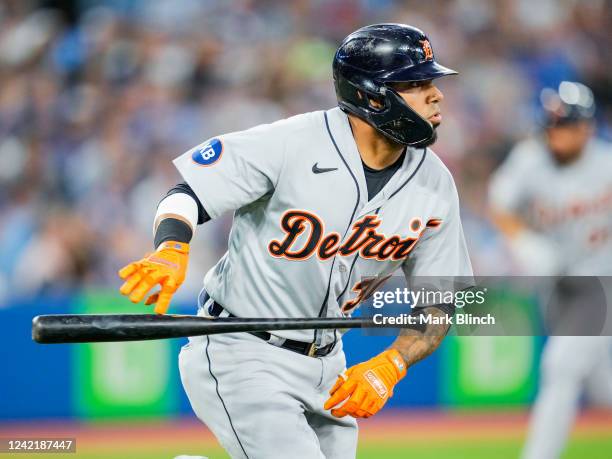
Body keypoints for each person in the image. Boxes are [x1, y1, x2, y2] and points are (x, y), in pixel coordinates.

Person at [118, 24, 472, 459]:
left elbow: (442, 300)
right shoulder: (291, 143)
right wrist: (171, 246)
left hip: (329, 364)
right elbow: (189, 194)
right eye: (415, 83)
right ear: (371, 94)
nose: (436, 95)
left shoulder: (435, 184)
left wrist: (391, 364)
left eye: (431, 82)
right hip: (243, 348)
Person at [489, 81, 612, 459]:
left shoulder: (606, 163)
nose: (556, 133)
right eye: (552, 125)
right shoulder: (530, 159)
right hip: (557, 282)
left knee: (560, 367)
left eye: (566, 125)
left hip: (600, 279)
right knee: (601, 387)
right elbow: (501, 204)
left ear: (587, 127)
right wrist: (523, 241)